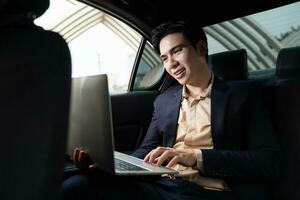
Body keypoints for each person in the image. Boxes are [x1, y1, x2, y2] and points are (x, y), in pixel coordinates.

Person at [62, 19, 280, 200]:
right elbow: (144, 152)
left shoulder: (244, 95)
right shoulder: (164, 100)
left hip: (209, 191)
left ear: (201, 48)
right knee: (77, 186)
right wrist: (107, 169)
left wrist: (194, 157)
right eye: (164, 58)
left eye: (177, 51)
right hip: (163, 186)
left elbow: (268, 162)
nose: (171, 63)